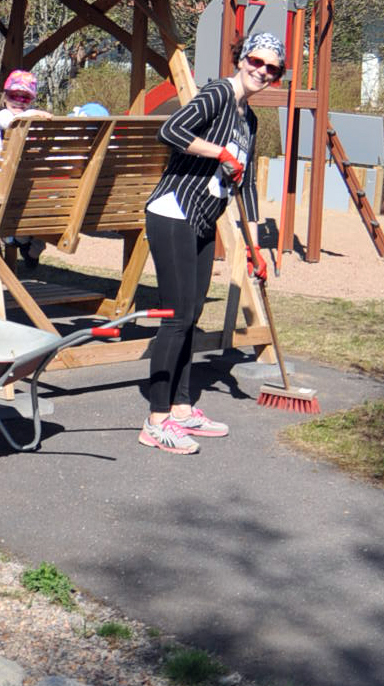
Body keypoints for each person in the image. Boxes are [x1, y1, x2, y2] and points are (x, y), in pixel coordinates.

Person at [137, 31, 284, 455]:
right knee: (176, 316)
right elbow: (171, 130)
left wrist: (256, 249)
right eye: (256, 62)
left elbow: (247, 183)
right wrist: (220, 153)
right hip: (172, 212)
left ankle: (182, 409)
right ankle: (156, 420)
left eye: (271, 69)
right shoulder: (219, 92)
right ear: (242, 59)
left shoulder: (249, 119)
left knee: (193, 313)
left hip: (202, 220)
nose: (261, 72)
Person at [0, 69, 52, 269]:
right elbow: (13, 123)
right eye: (14, 95)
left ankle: (22, 242)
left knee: (20, 217)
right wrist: (33, 113)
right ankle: (24, 243)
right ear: (4, 97)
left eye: (25, 97)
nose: (19, 101)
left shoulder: (32, 119)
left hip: (20, 183)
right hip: (6, 181)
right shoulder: (4, 115)